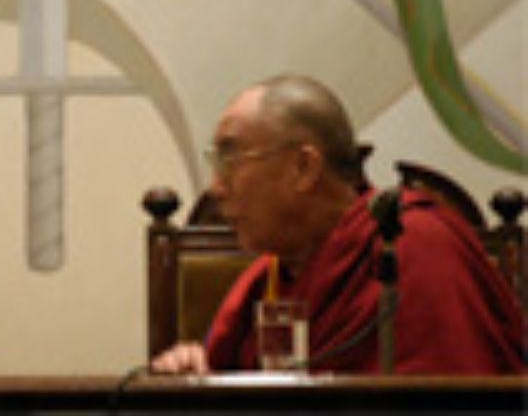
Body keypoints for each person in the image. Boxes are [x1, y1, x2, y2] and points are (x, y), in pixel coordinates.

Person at [152, 74, 524, 375]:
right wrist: (190, 369)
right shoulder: (270, 277)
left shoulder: (416, 247)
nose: (217, 189)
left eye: (232, 160)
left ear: (304, 168)